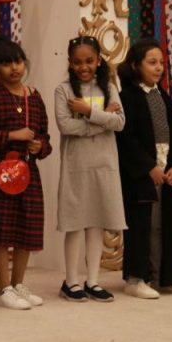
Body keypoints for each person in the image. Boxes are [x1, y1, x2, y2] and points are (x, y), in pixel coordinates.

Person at [0, 35, 52, 310]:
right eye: (6, 63)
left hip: (28, 172)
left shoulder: (35, 97)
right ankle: (3, 288)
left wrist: (39, 146)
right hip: (0, 173)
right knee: (2, 231)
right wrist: (11, 135)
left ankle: (18, 284)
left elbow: (46, 138)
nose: (14, 68)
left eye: (18, 61)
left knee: (26, 228)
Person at [115, 39, 172, 299]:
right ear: (136, 65)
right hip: (141, 175)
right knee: (141, 226)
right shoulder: (128, 97)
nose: (158, 68)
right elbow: (126, 139)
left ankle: (164, 277)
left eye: (161, 63)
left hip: (165, 171)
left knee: (164, 225)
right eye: (152, 62)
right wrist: (149, 167)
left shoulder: (163, 96)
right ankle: (136, 278)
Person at [54, 35, 126, 303]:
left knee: (96, 221)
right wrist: (102, 119)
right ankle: (71, 281)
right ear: (70, 62)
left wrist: (88, 111)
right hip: (76, 165)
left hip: (104, 164)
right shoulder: (63, 90)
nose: (83, 67)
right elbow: (65, 126)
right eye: (77, 62)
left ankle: (93, 281)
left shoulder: (109, 87)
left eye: (89, 61)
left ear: (98, 61)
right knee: (75, 223)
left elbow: (119, 123)